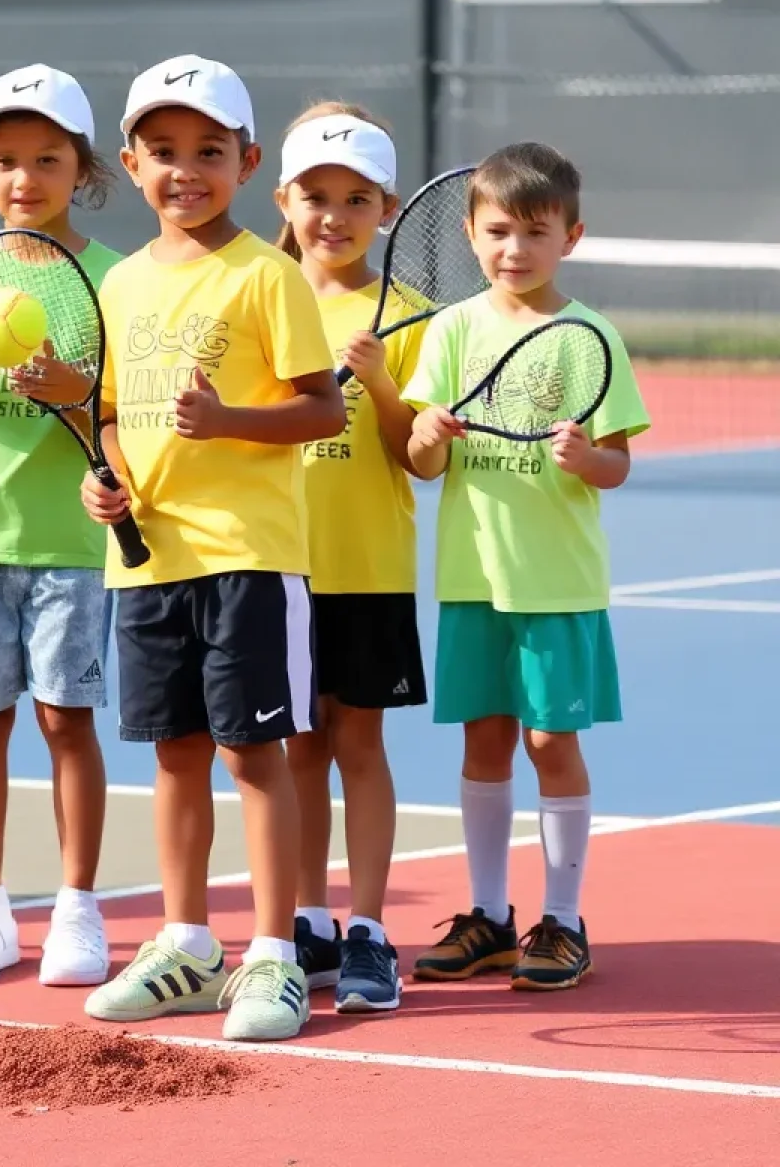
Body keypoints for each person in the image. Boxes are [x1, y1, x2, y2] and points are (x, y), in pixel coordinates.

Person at [79, 55, 345, 1041]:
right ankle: (186, 946)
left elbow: (320, 408)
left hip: (248, 557)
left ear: (247, 160)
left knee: (252, 753)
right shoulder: (120, 286)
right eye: (161, 151)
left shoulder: (269, 277)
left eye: (207, 151)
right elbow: (107, 416)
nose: (183, 169)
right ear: (130, 161)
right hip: (149, 564)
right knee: (176, 755)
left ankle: (274, 959)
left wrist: (228, 420)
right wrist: (105, 478)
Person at [404, 142, 649, 991]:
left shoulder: (591, 337)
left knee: (551, 740)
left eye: (535, 232)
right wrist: (425, 438)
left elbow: (618, 462)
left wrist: (588, 460)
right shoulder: (451, 329)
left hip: (557, 582)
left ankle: (565, 922)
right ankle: (488, 918)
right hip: (472, 579)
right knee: (485, 740)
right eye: (499, 231)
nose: (515, 249)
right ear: (472, 234)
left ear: (570, 236)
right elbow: (421, 463)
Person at [0, 64, 122, 988]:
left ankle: (78, 912)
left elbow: (123, 412)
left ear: (80, 168)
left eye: (46, 159)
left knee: (66, 721)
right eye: (4, 160)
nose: (23, 178)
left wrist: (71, 391)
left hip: (75, 545)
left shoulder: (116, 279)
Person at [274, 102, 428, 1014]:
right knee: (297, 749)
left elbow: (415, 455)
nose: (334, 216)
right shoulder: (260, 296)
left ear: (387, 208)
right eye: (317, 196)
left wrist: (377, 381)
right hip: (276, 566)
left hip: (367, 567)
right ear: (285, 197)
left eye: (356, 199)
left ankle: (368, 929)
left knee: (358, 742)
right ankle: (306, 921)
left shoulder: (407, 318)